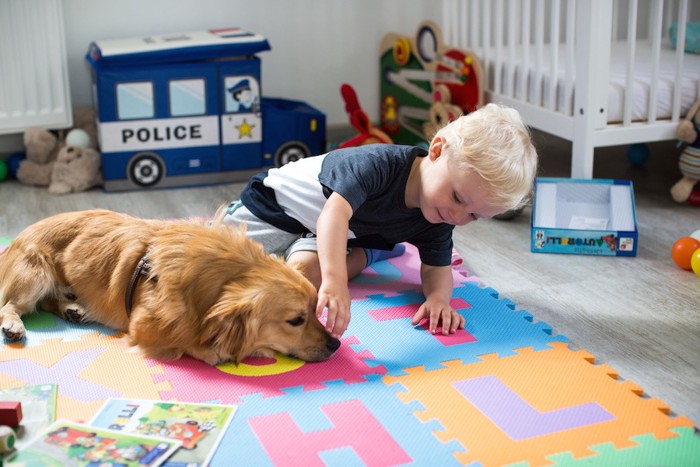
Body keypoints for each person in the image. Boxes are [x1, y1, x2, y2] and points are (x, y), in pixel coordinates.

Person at [218, 103, 538, 339]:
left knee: (300, 280)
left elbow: (436, 268)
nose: (456, 216)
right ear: (438, 151)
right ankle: (374, 250)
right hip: (279, 208)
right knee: (224, 264)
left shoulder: (438, 218)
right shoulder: (377, 164)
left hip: (331, 235)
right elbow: (334, 214)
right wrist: (336, 280)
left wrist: (439, 299)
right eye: (457, 198)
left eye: (473, 216)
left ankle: (369, 250)